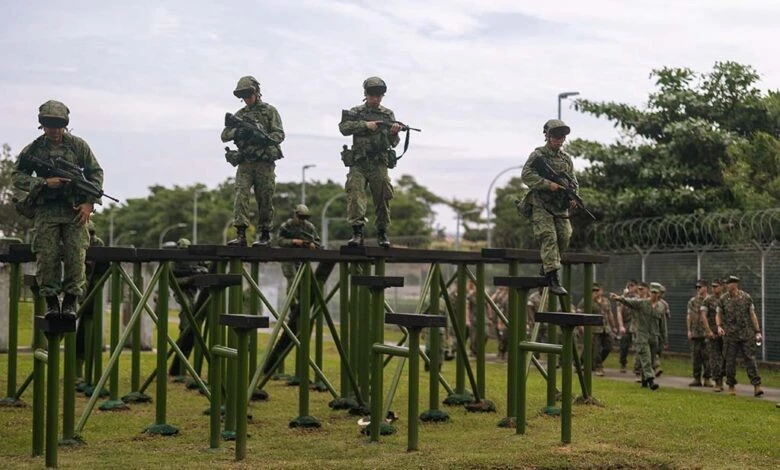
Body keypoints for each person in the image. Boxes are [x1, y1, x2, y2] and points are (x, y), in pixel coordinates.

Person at [12, 100, 104, 320]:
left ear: (65, 125)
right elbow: (17, 176)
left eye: (58, 125)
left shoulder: (78, 146)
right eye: (49, 125)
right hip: (46, 211)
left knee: (76, 255)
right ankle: (52, 304)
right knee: (47, 256)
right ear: (42, 125)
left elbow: (95, 174)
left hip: (74, 211)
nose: (54, 131)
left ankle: (71, 302)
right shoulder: (34, 149)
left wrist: (89, 204)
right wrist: (44, 182)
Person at [221, 75, 285, 247]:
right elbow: (224, 135)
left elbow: (279, 135)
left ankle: (265, 234)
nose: (247, 100)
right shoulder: (240, 115)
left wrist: (262, 137)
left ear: (257, 92)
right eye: (243, 97)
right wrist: (238, 133)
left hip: (264, 162)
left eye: (249, 95)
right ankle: (241, 234)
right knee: (241, 194)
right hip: (246, 162)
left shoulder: (269, 111)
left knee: (265, 198)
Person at [339, 76, 401, 248]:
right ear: (366, 94)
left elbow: (393, 142)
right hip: (359, 162)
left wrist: (394, 133)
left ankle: (382, 233)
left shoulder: (387, 114)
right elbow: (344, 128)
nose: (376, 99)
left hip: (378, 162)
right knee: (355, 195)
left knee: (383, 197)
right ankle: (357, 232)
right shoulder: (356, 112)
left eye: (379, 95)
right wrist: (366, 126)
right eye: (373, 95)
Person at [519, 119, 579, 295]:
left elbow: (573, 181)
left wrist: (574, 197)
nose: (559, 140)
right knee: (549, 237)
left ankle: (546, 269)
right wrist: (547, 184)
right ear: (547, 135)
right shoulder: (538, 156)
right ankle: (552, 278)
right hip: (541, 205)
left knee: (565, 236)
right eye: (556, 136)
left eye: (562, 137)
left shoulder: (566, 159)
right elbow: (526, 175)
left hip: (559, 206)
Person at [262, 204, 320, 376]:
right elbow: (278, 241)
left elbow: (316, 241)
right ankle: (293, 305)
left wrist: (311, 245)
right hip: (288, 257)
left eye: (305, 217)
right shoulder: (287, 226)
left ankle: (300, 305)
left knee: (305, 284)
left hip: (302, 258)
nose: (302, 220)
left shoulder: (309, 227)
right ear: (295, 215)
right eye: (300, 217)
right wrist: (293, 242)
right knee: (292, 280)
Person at [610, 284, 665, 391]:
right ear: (650, 292)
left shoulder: (661, 306)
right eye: (652, 292)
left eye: (656, 293)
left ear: (659, 294)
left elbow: (663, 324)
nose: (653, 295)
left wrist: (664, 337)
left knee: (651, 359)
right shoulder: (642, 303)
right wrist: (618, 298)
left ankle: (644, 381)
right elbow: (629, 302)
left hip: (654, 337)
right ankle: (651, 381)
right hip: (642, 336)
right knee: (646, 358)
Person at [716, 276, 763, 397]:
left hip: (746, 334)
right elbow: (718, 314)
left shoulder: (746, 298)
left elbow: (752, 314)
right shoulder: (723, 299)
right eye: (726, 284)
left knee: (750, 359)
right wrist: (719, 326)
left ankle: (757, 386)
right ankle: (731, 385)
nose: (727, 286)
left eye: (729, 283)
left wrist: (757, 331)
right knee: (730, 361)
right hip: (730, 335)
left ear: (735, 284)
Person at [168, 238, 209, 377]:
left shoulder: (196, 261)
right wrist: (189, 279)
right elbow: (172, 281)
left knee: (198, 322)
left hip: (195, 293)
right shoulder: (174, 264)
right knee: (186, 323)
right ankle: (179, 367)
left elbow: (207, 267)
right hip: (182, 293)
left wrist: (200, 274)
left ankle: (187, 366)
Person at [577, 283, 614, 376]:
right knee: (596, 349)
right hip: (593, 329)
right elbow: (579, 313)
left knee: (608, 346)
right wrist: (580, 326)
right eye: (593, 291)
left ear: (601, 291)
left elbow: (609, 313)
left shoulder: (606, 301)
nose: (595, 292)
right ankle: (598, 367)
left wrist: (614, 326)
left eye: (597, 290)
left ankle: (586, 363)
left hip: (606, 328)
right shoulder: (586, 301)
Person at [700, 279, 725, 391]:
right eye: (713, 286)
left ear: (722, 287)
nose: (715, 289)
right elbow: (703, 316)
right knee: (714, 358)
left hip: (726, 334)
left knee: (726, 358)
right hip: (713, 333)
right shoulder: (708, 300)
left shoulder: (726, 299)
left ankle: (726, 379)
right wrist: (708, 331)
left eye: (717, 286)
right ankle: (718, 382)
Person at [687, 280, 711, 386]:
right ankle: (696, 378)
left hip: (707, 333)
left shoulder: (710, 300)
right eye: (696, 287)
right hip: (696, 332)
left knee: (707, 356)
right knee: (696, 356)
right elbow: (689, 316)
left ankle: (707, 378)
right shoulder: (693, 301)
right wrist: (689, 330)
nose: (698, 289)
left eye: (700, 287)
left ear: (706, 287)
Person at [616, 279, 638, 373]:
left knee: (638, 345)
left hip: (637, 324)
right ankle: (623, 363)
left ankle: (638, 367)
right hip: (627, 323)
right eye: (628, 286)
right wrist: (621, 326)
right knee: (624, 345)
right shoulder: (622, 298)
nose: (630, 288)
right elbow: (619, 312)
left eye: (632, 286)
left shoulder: (639, 298)